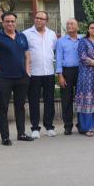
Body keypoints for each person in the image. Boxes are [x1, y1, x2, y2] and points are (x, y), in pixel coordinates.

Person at [0, 12, 32, 145]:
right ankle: (5, 137)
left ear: (16, 22)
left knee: (20, 106)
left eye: (12, 21)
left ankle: (22, 133)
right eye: (7, 21)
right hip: (4, 79)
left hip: (21, 78)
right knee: (3, 108)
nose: (10, 24)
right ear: (3, 23)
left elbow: (27, 55)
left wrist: (27, 71)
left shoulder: (22, 36)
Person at [23, 11, 58, 139]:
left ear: (46, 21)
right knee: (34, 101)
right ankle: (35, 128)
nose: (39, 20)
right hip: (33, 73)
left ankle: (49, 126)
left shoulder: (52, 34)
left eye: (42, 19)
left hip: (48, 72)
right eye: (37, 18)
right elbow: (23, 52)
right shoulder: (26, 34)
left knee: (49, 101)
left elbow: (53, 50)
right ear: (34, 19)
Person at [56, 18, 82, 135]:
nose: (69, 25)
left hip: (81, 71)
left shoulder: (83, 39)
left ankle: (82, 124)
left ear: (78, 27)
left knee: (81, 99)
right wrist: (60, 75)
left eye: (72, 23)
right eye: (68, 24)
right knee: (66, 99)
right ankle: (68, 125)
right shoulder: (61, 41)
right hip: (67, 72)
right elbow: (58, 59)